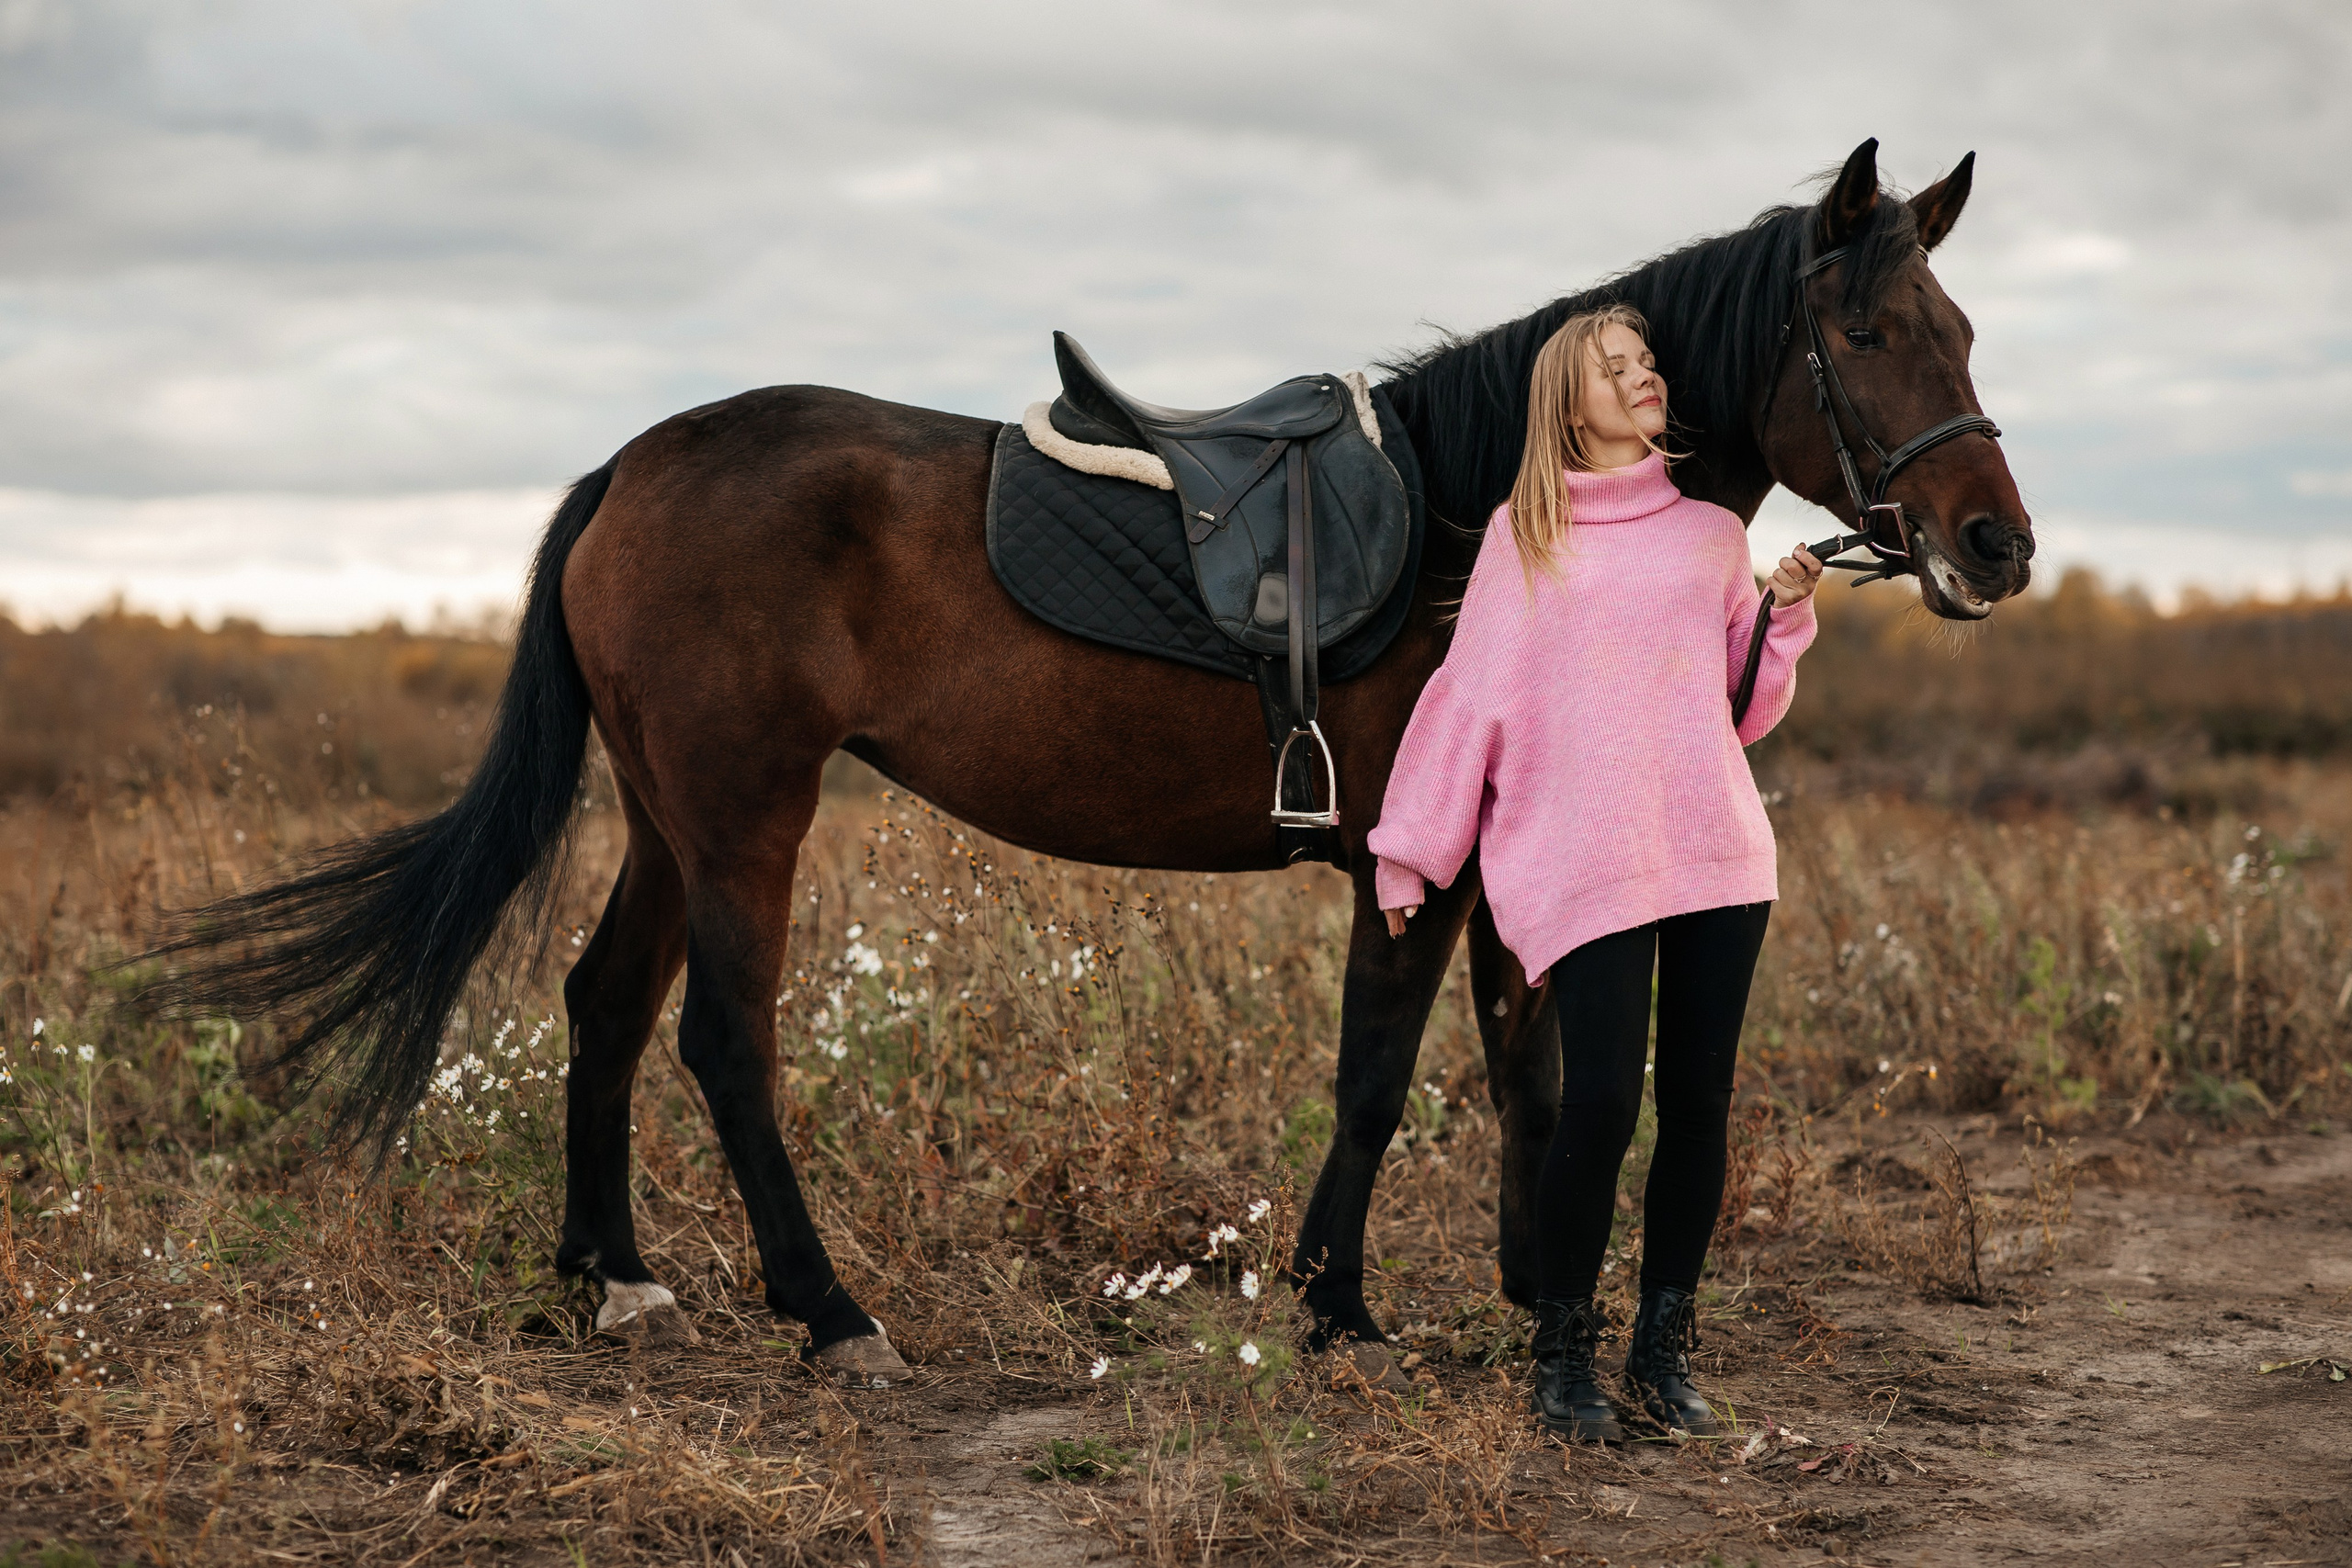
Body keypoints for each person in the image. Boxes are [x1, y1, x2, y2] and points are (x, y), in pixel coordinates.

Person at [1366, 304, 1823, 1441]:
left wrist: (1782, 614)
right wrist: (1411, 850)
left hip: (1716, 851)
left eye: (1645, 362)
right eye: (1613, 369)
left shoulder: (1709, 536)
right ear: (1568, 409)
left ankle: (1662, 1353)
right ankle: (1561, 1359)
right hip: (1587, 860)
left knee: (1697, 1107)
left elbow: (1737, 706)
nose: (1641, 377)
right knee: (1601, 1102)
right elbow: (1468, 703)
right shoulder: (1522, 542)